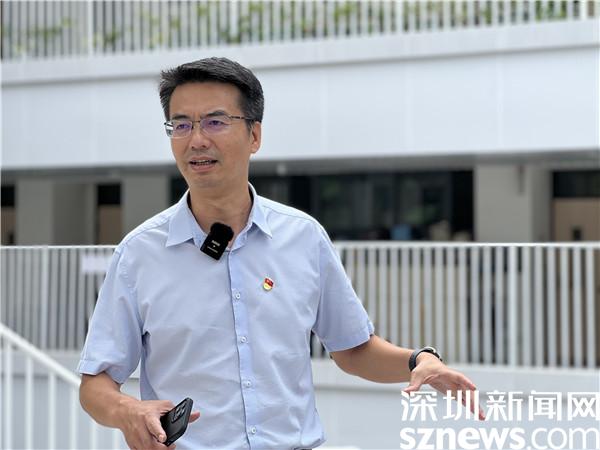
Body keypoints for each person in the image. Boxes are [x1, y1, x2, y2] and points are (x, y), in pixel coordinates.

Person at [78, 57, 484, 450]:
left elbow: (354, 349)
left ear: (254, 135)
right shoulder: (139, 253)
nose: (196, 139)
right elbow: (96, 383)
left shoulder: (303, 237)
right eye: (181, 124)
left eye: (215, 121)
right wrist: (127, 411)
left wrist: (418, 360)